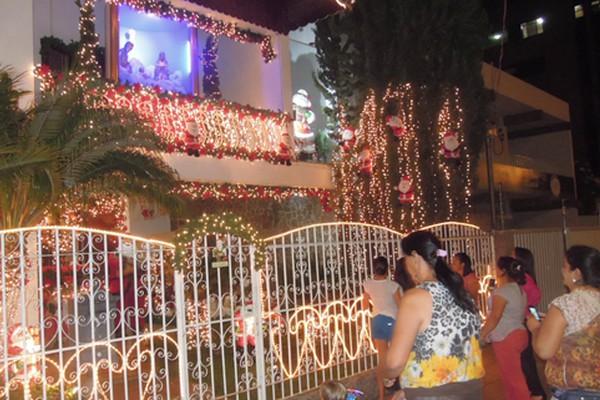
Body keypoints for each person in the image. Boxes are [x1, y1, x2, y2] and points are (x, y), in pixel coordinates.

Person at [383, 231, 484, 400]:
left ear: (415, 257)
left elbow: (395, 362)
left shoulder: (416, 297)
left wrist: (387, 374)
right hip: (472, 390)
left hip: (434, 393)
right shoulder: (460, 293)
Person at [526, 245, 600, 400]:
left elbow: (544, 350)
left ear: (577, 274)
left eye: (565, 266)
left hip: (574, 392)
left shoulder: (566, 304)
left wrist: (536, 329)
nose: (562, 270)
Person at [481, 256, 530, 400]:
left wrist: (482, 334)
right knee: (509, 376)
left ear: (502, 271)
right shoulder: (519, 290)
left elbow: (495, 316)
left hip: (506, 336)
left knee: (514, 378)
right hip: (519, 332)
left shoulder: (503, 291)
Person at [363, 256, 402, 400]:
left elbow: (365, 304)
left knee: (382, 360)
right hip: (392, 321)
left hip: (377, 320)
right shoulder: (393, 286)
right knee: (398, 357)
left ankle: (381, 396)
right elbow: (400, 305)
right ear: (388, 268)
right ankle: (402, 389)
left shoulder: (368, 284)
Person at [513, 246, 546, 400]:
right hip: (527, 318)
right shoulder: (525, 277)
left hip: (526, 320)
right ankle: (536, 391)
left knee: (526, 360)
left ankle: (537, 392)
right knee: (526, 360)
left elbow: (533, 299)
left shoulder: (523, 279)